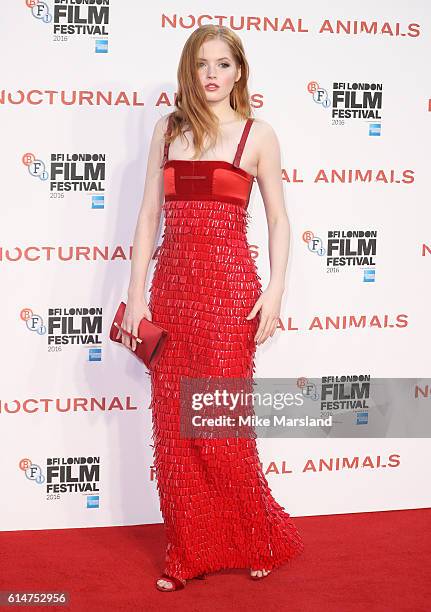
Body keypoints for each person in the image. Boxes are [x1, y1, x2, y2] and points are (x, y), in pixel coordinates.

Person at [120, 24, 304, 592]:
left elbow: (277, 218)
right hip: (172, 295)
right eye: (202, 64)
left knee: (220, 427)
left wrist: (273, 292)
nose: (212, 75)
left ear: (239, 71)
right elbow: (149, 215)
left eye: (223, 64)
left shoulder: (258, 135)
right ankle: (188, 552)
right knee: (174, 433)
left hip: (229, 297)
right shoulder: (167, 130)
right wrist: (134, 295)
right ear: (189, 71)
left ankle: (260, 537)